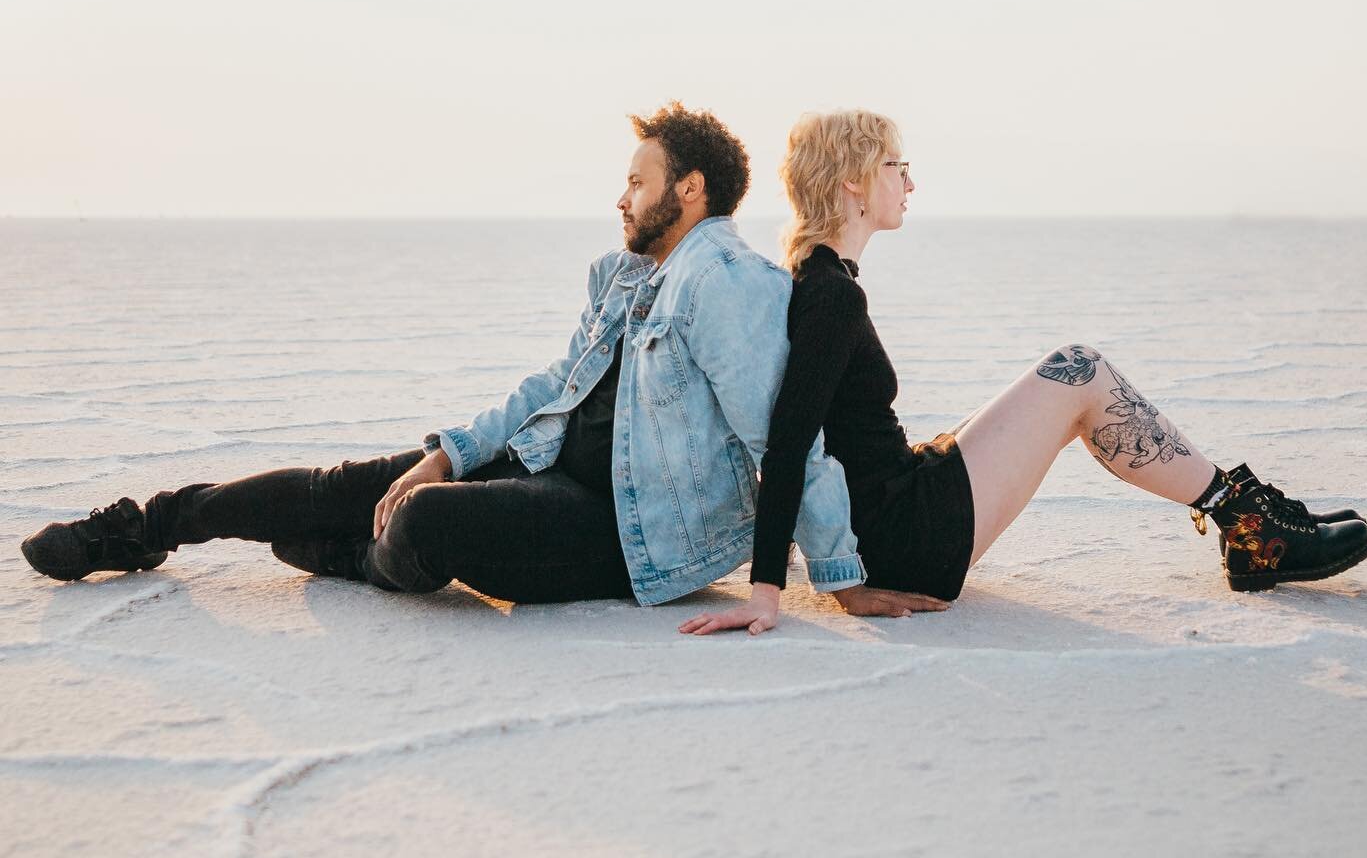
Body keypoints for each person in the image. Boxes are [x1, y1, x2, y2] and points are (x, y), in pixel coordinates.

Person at [22, 103, 899, 612]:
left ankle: (352, 560)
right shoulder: (629, 275)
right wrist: (452, 449)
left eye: (639, 179)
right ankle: (145, 527)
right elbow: (556, 387)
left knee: (424, 522)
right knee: (348, 485)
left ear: (691, 189)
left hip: (623, 529)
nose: (623, 195)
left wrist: (835, 575)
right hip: (550, 461)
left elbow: (782, 436)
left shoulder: (729, 283)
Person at [679, 109, 1367, 637]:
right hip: (903, 539)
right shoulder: (830, 293)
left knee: (1066, 383)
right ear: (854, 183)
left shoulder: (822, 280)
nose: (911, 182)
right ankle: (1252, 529)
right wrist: (774, 590)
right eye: (897, 167)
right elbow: (790, 437)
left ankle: (1249, 522)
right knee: (1082, 371)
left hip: (892, 514)